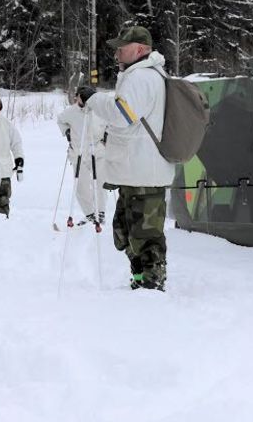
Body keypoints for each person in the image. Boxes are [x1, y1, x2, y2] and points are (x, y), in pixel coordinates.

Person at [97, 26, 177, 290]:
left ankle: (152, 287)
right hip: (136, 171)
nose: (117, 51)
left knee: (145, 235)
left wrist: (94, 100)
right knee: (126, 232)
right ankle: (140, 279)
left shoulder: (142, 77)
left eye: (123, 46)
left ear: (141, 50)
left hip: (145, 172)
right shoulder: (139, 76)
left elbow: (122, 114)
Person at [58, 85, 105, 231]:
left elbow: (110, 123)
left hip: (97, 150)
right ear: (77, 97)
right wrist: (66, 132)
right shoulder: (70, 112)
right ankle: (90, 213)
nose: (84, 100)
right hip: (78, 152)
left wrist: (107, 136)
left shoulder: (98, 111)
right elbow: (60, 120)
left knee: (101, 182)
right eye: (81, 96)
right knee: (81, 185)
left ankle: (100, 212)